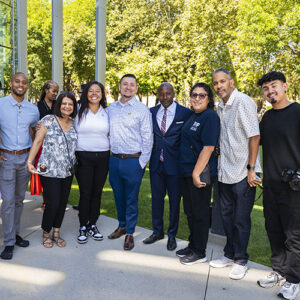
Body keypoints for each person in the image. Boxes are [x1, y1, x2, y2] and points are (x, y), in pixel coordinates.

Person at [209, 68, 262, 280]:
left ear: (231, 82)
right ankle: (229, 254)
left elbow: (255, 137)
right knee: (226, 217)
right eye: (215, 83)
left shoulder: (243, 102)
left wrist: (251, 169)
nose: (219, 86)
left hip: (242, 173)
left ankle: (241, 259)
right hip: (225, 172)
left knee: (241, 219)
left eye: (222, 82)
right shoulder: (221, 106)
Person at [257, 71, 300, 300]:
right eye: (265, 88)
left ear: (284, 86)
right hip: (271, 185)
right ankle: (279, 272)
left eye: (274, 86)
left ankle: (294, 280)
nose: (270, 91)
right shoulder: (268, 118)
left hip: (295, 188)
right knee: (273, 230)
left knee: (293, 235)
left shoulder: (297, 112)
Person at [143, 83, 192, 251]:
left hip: (175, 166)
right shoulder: (151, 112)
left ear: (173, 94)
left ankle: (172, 235)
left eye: (168, 93)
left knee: (174, 202)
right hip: (156, 164)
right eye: (162, 94)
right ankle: (157, 232)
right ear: (158, 95)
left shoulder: (185, 113)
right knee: (156, 200)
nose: (165, 97)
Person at [107, 74, 153, 251]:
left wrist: (141, 163)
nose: (128, 87)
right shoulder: (111, 109)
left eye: (131, 85)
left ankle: (130, 233)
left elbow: (148, 139)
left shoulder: (142, 110)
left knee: (131, 199)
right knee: (118, 196)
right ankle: (122, 225)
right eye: (124, 84)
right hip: (115, 160)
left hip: (133, 161)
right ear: (119, 87)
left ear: (136, 88)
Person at [27, 92, 77, 248]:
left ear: (73, 107)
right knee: (53, 203)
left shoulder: (75, 123)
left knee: (62, 203)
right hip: (49, 170)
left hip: (67, 170)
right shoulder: (47, 121)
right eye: (64, 103)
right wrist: (30, 161)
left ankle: (57, 231)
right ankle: (46, 232)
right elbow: (37, 142)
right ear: (59, 105)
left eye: (70, 104)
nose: (67, 106)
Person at [178, 82, 220, 264]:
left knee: (200, 212)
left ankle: (199, 251)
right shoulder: (193, 116)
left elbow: (209, 148)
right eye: (194, 94)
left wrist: (196, 173)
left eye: (201, 95)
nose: (196, 98)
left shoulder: (210, 117)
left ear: (208, 99)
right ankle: (193, 244)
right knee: (190, 211)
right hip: (187, 171)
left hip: (200, 172)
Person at [0, 72, 39, 259]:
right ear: (10, 83)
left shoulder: (33, 109)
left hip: (25, 159)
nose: (20, 85)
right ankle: (8, 242)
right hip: (6, 159)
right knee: (7, 202)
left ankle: (14, 234)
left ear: (27, 86)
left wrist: (31, 158)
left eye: (24, 82)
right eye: (17, 81)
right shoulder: (1, 104)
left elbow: (33, 132)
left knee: (17, 200)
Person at [75, 81, 110, 244]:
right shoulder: (77, 109)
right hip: (83, 157)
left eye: (98, 91)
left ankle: (93, 224)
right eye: (91, 91)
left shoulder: (107, 112)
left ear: (102, 94)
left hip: (103, 157)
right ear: (86, 93)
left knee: (97, 192)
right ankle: (83, 225)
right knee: (85, 192)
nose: (94, 93)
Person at [35, 80, 59, 208]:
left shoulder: (58, 106)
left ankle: (54, 200)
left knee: (55, 172)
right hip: (41, 145)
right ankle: (45, 200)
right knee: (43, 171)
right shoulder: (37, 106)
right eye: (53, 91)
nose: (55, 93)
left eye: (57, 91)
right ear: (46, 90)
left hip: (56, 145)